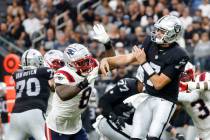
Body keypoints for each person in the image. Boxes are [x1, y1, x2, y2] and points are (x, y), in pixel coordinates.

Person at [99, 15, 189, 140]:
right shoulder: (150, 42)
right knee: (136, 138)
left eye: (161, 31)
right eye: (157, 29)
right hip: (148, 96)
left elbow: (159, 83)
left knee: (152, 137)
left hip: (165, 100)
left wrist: (144, 62)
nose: (157, 33)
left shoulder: (180, 55)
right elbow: (128, 58)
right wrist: (108, 59)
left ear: (173, 34)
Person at [45, 24, 115, 140]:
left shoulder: (89, 68)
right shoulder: (62, 73)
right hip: (56, 128)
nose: (86, 65)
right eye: (81, 63)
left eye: (87, 61)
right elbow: (63, 94)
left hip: (76, 126)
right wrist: (85, 81)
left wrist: (107, 44)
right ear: (70, 64)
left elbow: (111, 64)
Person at [93, 77, 185, 140]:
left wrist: (176, 134)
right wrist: (114, 117)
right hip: (109, 121)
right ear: (140, 79)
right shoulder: (127, 85)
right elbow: (103, 102)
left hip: (126, 128)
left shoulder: (151, 96)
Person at [6, 49, 54, 140]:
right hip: (35, 112)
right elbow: (53, 86)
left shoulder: (16, 74)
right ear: (36, 61)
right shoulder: (44, 71)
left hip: (15, 114)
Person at [178, 62, 210, 140]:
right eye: (181, 75)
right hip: (203, 133)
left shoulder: (203, 77)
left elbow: (208, 85)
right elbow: (191, 97)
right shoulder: (178, 92)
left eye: (187, 73)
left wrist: (188, 85)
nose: (185, 78)